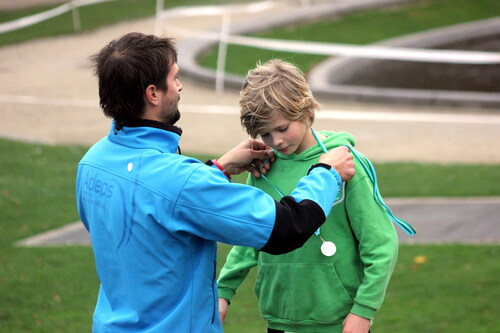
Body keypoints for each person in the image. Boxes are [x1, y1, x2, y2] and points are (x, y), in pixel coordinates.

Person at [75, 33, 356, 333]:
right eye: (175, 78)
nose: (180, 86)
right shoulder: (180, 183)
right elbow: (286, 227)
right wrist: (325, 173)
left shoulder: (92, 163)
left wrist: (218, 169)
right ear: (153, 94)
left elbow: (151, 208)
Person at [217, 59, 405, 333]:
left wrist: (363, 311)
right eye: (265, 134)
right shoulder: (262, 171)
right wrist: (223, 291)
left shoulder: (347, 165)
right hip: (278, 320)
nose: (277, 141)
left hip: (339, 323)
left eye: (282, 128)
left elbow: (381, 244)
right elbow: (251, 238)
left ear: (304, 110)